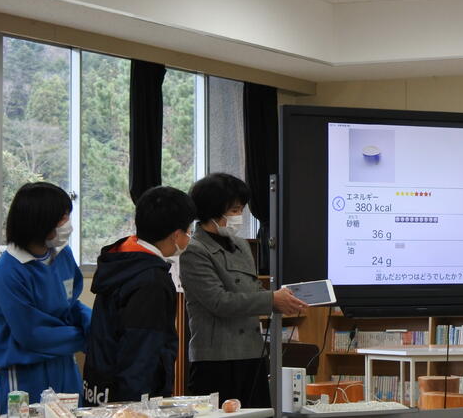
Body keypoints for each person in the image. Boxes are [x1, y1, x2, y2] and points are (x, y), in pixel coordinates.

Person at [180, 173, 307, 407]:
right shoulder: (194, 250)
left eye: (241, 209)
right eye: (234, 210)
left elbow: (252, 288)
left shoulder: (240, 245)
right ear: (213, 210)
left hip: (253, 353)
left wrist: (286, 299)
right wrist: (271, 300)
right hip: (216, 358)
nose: (239, 216)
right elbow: (219, 302)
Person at [82, 186, 196, 405]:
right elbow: (141, 351)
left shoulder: (122, 260)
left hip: (100, 388)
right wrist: (136, 407)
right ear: (176, 234)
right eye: (188, 230)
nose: (189, 237)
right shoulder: (150, 279)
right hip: (129, 400)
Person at [0, 182, 91, 413]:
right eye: (62, 218)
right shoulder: (9, 271)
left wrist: (95, 324)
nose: (68, 225)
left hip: (64, 364)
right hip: (26, 372)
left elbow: (70, 305)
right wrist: (84, 338)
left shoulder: (62, 254)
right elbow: (32, 334)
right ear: (40, 221)